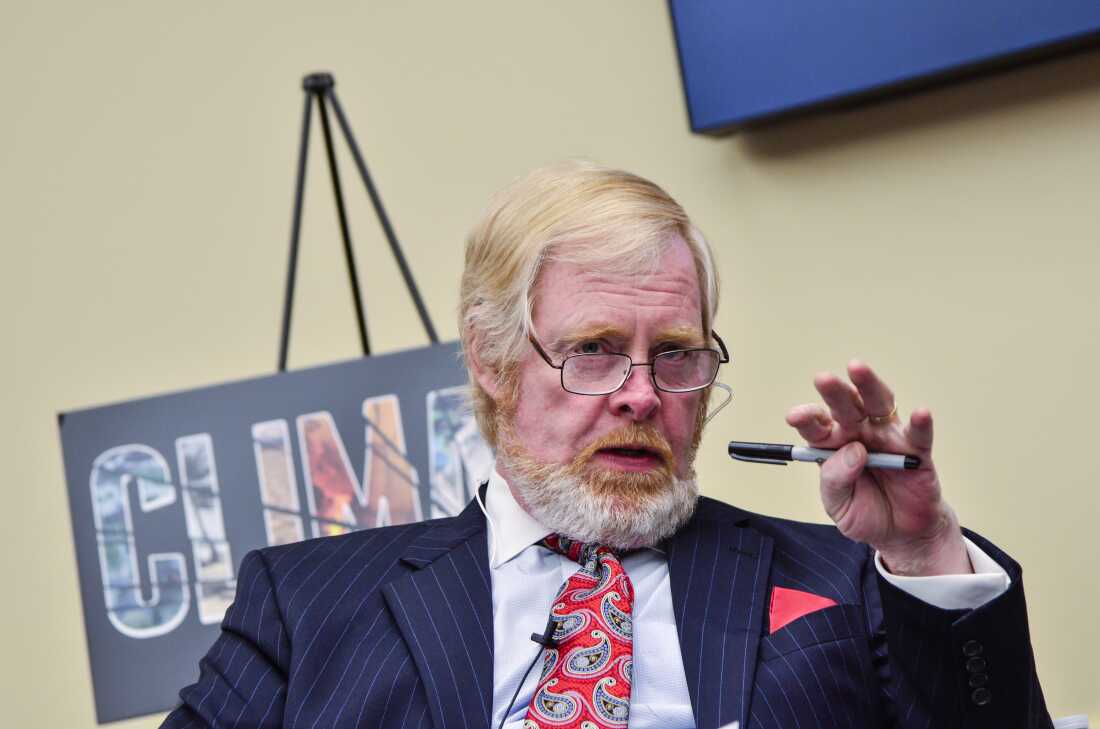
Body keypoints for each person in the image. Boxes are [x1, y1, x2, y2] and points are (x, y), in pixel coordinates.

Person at [161, 161, 1051, 729]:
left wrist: (921, 548)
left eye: (675, 355)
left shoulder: (848, 579)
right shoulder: (305, 604)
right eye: (592, 350)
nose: (639, 393)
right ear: (494, 361)